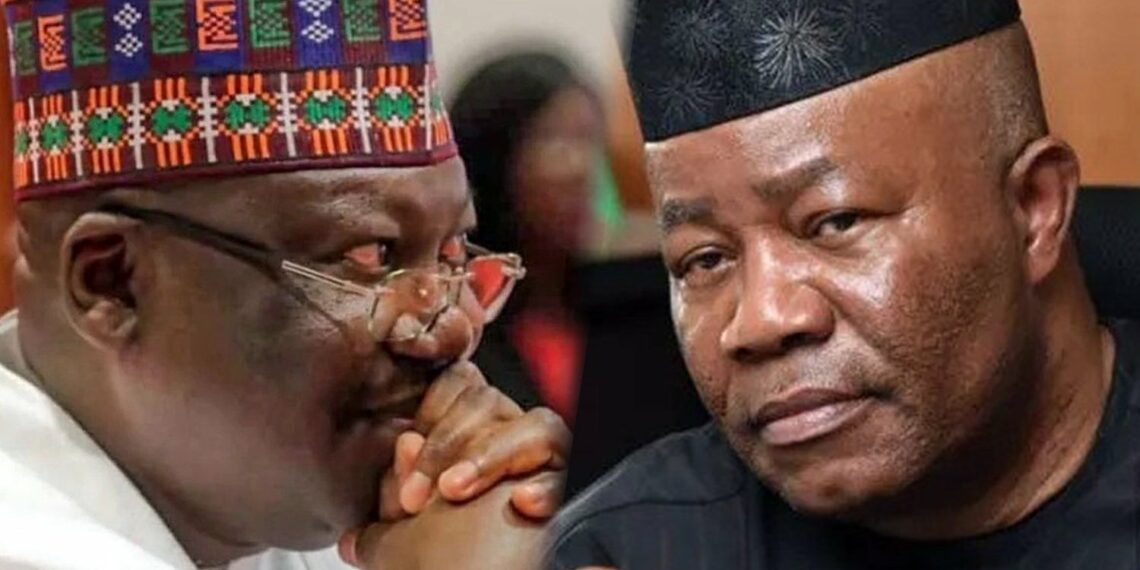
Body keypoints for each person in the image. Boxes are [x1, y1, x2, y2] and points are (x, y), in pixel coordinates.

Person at [547, 0, 1140, 568]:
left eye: (836, 222)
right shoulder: (621, 553)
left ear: (1034, 207)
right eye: (705, 260)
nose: (760, 321)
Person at [0, 0, 568, 568]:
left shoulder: (285, 506)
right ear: (111, 284)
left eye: (451, 256)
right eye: (369, 257)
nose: (452, 330)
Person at [450, 52, 606, 422]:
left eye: (589, 140)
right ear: (495, 161)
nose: (581, 169)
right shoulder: (458, 331)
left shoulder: (625, 307)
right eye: (557, 143)